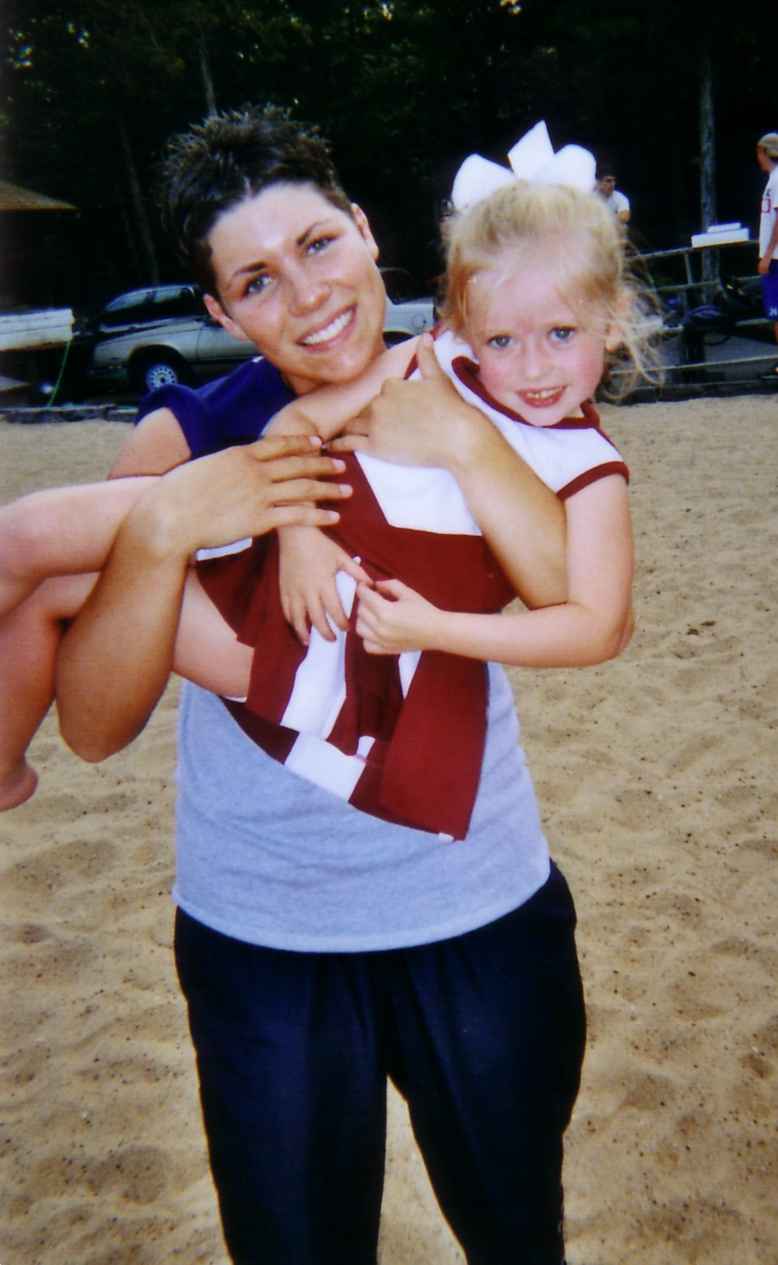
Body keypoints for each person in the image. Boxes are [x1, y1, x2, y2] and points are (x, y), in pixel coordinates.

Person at [6, 108, 595, 1265]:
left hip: (477, 908)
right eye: (256, 281)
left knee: (516, 1229)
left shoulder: (497, 373)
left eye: (319, 245)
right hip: (263, 933)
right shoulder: (183, 443)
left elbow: (572, 585)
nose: (307, 295)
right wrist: (174, 519)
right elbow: (97, 724)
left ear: (369, 230)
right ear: (220, 313)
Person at [756, 131, 778, 375]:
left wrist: (767, 254)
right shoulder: (772, 179)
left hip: (776, 258)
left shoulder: (777, 180)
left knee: (777, 313)